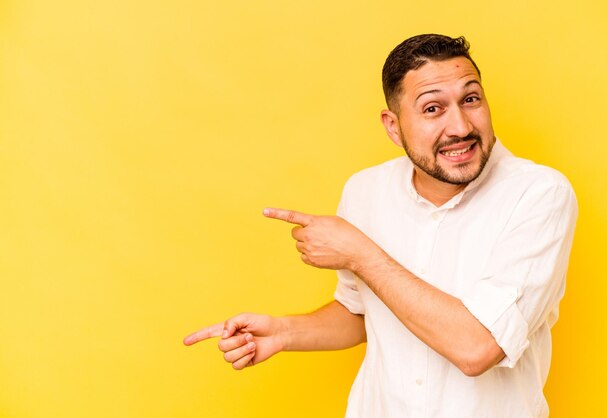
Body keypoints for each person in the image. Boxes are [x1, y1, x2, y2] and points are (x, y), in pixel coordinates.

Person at [184, 34, 577, 417]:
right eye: (432, 109)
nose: (460, 127)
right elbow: (362, 312)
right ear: (393, 127)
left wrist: (359, 252)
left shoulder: (539, 195)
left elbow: (478, 347)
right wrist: (285, 332)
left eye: (470, 99)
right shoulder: (365, 190)